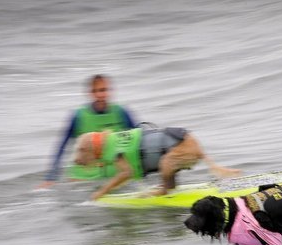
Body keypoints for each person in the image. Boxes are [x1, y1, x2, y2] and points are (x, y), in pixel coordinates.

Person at [73, 125, 241, 200]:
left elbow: (128, 173)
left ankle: (165, 191)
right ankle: (169, 188)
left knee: (167, 161)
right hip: (181, 146)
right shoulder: (113, 144)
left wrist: (103, 191)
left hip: (181, 150)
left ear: (93, 148)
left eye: (81, 151)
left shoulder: (114, 149)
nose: (77, 158)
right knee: (166, 160)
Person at [39, 74, 136, 188]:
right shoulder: (78, 116)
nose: (100, 95)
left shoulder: (121, 112)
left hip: (113, 176)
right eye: (95, 91)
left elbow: (138, 139)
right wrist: (51, 177)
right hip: (83, 178)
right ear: (90, 93)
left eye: (103, 90)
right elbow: (62, 147)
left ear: (110, 91)